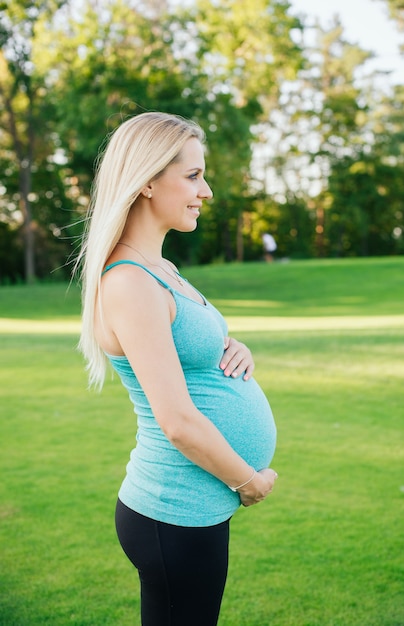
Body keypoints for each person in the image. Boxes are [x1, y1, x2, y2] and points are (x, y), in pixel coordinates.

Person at [76, 111, 278, 626]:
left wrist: (236, 352)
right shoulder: (130, 283)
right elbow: (177, 421)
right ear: (146, 181)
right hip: (175, 510)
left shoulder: (160, 270)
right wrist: (246, 481)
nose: (205, 191)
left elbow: (193, 350)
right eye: (193, 176)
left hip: (192, 505)